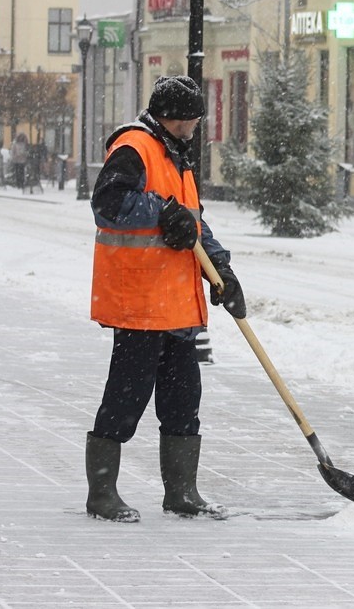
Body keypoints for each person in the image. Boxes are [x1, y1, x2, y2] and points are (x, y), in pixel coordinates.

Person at [86, 75, 246, 522]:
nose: (193, 128)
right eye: (189, 121)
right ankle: (101, 495)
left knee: (183, 401)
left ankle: (182, 493)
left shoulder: (177, 155)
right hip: (140, 303)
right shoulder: (134, 147)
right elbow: (107, 204)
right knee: (125, 400)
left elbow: (192, 223)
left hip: (177, 305)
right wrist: (161, 211)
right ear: (169, 117)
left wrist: (221, 270)